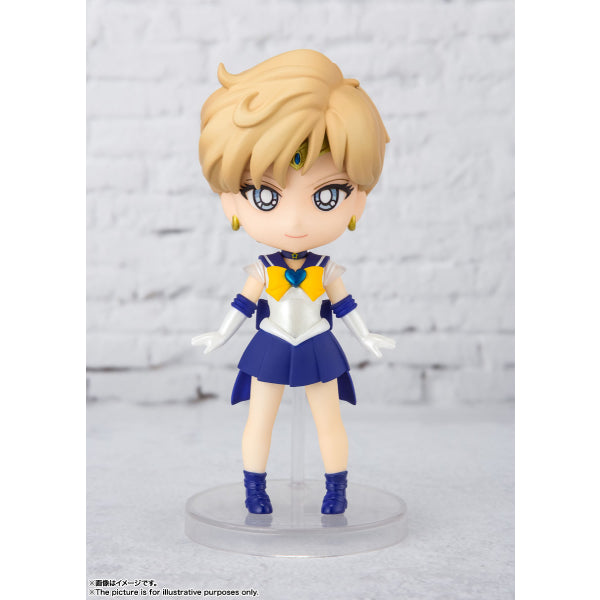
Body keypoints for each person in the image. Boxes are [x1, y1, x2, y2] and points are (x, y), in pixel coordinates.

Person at [192, 49, 395, 515]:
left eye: (328, 195)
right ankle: (254, 488)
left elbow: (345, 306)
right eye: (265, 196)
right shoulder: (262, 271)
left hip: (318, 345)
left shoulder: (328, 271)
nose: (296, 221)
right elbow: (242, 306)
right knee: (259, 421)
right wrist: (220, 334)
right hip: (271, 344)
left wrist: (366, 335)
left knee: (329, 421)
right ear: (231, 204)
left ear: (357, 203)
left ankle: (336, 489)